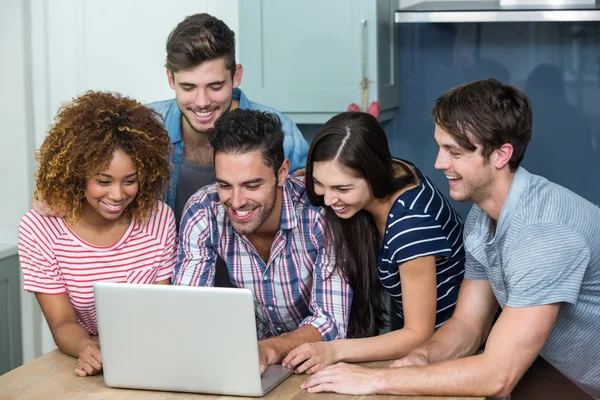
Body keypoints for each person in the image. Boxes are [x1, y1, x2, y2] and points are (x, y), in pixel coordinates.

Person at [301, 79, 600, 398]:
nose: (438, 163)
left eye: (454, 152)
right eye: (440, 147)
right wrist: (420, 359)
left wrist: (375, 379)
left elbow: (498, 375)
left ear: (501, 155)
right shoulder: (483, 216)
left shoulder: (542, 236)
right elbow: (469, 326)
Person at [282, 111, 465, 374]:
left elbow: (418, 334)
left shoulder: (410, 224)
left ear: (374, 173)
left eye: (342, 189)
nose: (328, 200)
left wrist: (333, 350)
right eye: (320, 183)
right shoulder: (396, 169)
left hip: (450, 352)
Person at [173, 109, 352, 374]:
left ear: (282, 173)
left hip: (326, 362)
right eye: (224, 185)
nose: (236, 202)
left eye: (251, 185)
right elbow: (186, 307)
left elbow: (330, 322)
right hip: (253, 362)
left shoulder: (320, 215)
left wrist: (267, 349)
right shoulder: (203, 210)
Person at [18, 92, 177, 378]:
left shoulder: (159, 220)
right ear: (77, 175)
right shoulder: (39, 230)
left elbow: (161, 311)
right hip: (80, 362)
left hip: (150, 358)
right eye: (103, 181)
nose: (118, 195)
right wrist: (87, 348)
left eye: (130, 181)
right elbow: (62, 322)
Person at [147, 13, 309, 224]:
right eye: (188, 87)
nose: (202, 102)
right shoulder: (146, 128)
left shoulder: (283, 134)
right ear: (170, 78)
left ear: (236, 76)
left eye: (215, 87)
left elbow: (311, 213)